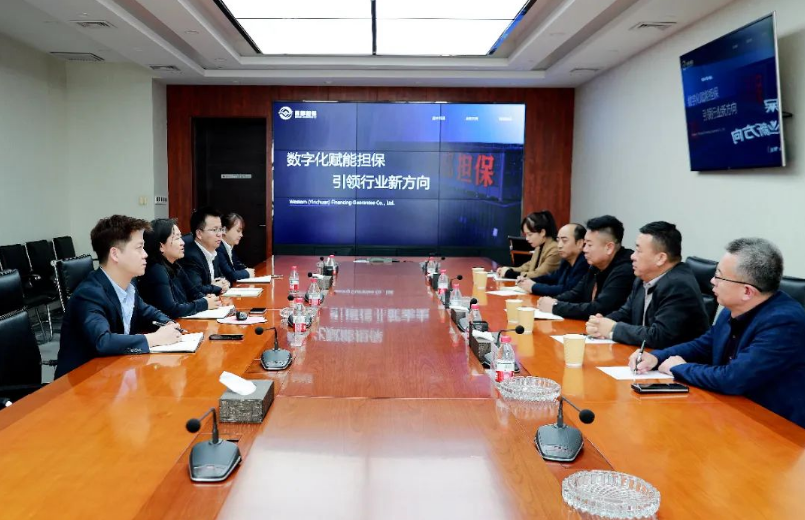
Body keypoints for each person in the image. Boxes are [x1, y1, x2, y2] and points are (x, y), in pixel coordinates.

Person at [630, 238, 805, 428]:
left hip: (775, 427)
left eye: (719, 277)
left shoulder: (784, 322)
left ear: (747, 291)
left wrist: (679, 368)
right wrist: (656, 357)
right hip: (731, 412)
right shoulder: (733, 309)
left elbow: (732, 378)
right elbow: (704, 345)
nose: (712, 281)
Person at [56, 215, 182, 377]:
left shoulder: (129, 286)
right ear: (115, 254)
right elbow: (103, 341)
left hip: (116, 372)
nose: (145, 254)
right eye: (139, 248)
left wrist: (168, 324)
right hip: (83, 382)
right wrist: (154, 338)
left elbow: (148, 312)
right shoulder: (89, 294)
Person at [586, 221, 710, 349]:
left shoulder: (678, 285)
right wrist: (600, 323)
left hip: (674, 358)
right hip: (643, 354)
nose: (632, 256)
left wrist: (613, 328)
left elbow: (659, 336)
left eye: (639, 251)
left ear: (660, 258)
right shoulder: (643, 277)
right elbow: (626, 313)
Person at [538, 215, 634, 320]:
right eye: (585, 244)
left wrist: (556, 306)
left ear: (609, 248)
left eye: (589, 245)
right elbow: (576, 293)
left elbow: (599, 308)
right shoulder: (595, 266)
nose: (584, 249)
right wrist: (552, 301)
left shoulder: (625, 270)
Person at [139, 218, 221, 319]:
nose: (182, 242)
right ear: (161, 246)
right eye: (177, 238)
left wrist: (207, 298)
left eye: (181, 237)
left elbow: (193, 293)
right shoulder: (156, 270)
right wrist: (204, 303)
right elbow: (172, 310)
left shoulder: (175, 265)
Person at [516, 223, 589, 296]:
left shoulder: (585, 263)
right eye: (558, 240)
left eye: (564, 241)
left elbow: (567, 290)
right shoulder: (566, 261)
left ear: (580, 243)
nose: (559, 245)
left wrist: (533, 286)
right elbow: (551, 278)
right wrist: (528, 280)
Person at [496, 211, 561, 280]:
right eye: (526, 235)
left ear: (542, 232)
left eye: (530, 234)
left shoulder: (554, 249)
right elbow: (526, 267)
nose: (527, 238)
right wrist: (507, 269)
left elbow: (538, 275)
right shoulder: (539, 247)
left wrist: (510, 273)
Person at [179, 207, 230, 296]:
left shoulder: (213, 251)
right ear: (199, 234)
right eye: (214, 230)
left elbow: (220, 278)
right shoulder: (190, 256)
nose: (219, 234)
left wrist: (225, 283)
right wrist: (217, 287)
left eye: (220, 229)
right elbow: (197, 290)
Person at [218, 212, 256, 283]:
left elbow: (238, 266)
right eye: (238, 231)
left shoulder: (229, 246)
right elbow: (229, 275)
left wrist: (247, 270)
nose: (241, 235)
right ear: (224, 230)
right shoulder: (218, 247)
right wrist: (247, 273)